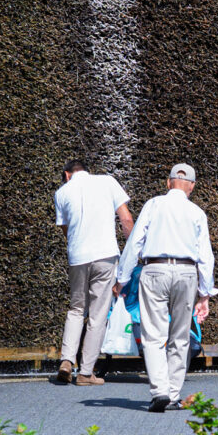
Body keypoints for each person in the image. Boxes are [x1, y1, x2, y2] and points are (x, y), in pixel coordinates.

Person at [116, 163, 217, 412]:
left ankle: (159, 390)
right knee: (180, 336)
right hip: (186, 271)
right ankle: (173, 394)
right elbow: (206, 255)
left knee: (153, 335)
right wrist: (205, 294)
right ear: (192, 187)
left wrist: (122, 278)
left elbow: (135, 242)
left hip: (155, 269)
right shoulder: (197, 213)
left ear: (168, 182)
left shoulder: (153, 205)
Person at [54, 159, 134, 386]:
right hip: (106, 256)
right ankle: (86, 372)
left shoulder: (61, 193)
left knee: (76, 309)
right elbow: (126, 219)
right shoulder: (108, 182)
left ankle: (67, 360)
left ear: (67, 174)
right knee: (98, 315)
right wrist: (132, 253)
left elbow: (66, 230)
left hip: (78, 258)